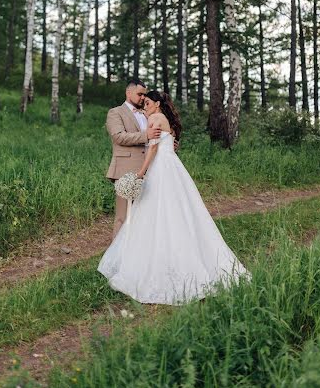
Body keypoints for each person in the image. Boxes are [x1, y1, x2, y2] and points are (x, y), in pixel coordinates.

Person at [98, 90, 250, 305]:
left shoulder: (155, 118)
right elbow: (167, 144)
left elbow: (152, 149)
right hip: (173, 169)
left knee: (152, 214)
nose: (146, 106)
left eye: (148, 102)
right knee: (179, 212)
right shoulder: (165, 119)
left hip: (160, 169)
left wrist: (140, 173)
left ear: (157, 103)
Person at [105, 78, 162, 239]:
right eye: (139, 94)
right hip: (125, 169)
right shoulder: (115, 112)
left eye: (144, 95)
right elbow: (119, 137)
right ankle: (117, 258)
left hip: (149, 170)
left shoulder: (147, 113)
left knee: (145, 215)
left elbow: (154, 140)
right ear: (128, 92)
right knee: (123, 217)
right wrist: (146, 135)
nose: (143, 98)